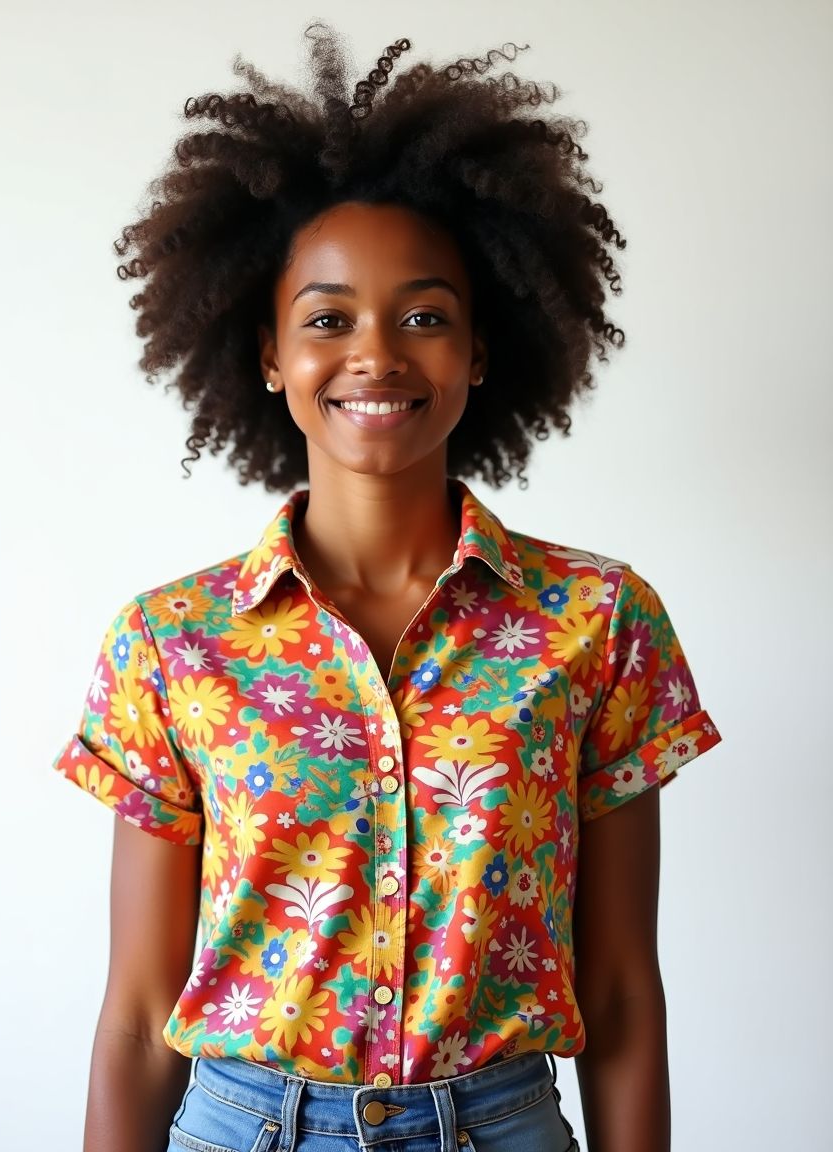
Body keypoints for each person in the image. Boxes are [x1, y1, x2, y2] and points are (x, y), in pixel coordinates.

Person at [53, 24, 722, 1152]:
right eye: (326, 319)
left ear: (479, 348)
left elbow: (617, 992)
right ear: (268, 353)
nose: (376, 353)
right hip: (241, 1125)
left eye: (424, 316)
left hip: (499, 1124)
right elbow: (132, 1016)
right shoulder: (172, 643)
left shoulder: (597, 622)